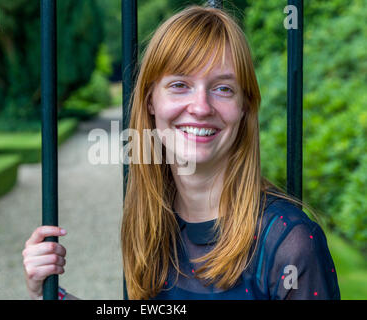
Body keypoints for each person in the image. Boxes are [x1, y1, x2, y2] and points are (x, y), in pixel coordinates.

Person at [22, 5, 340, 300]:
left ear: (244, 107)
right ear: (150, 101)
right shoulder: (154, 223)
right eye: (180, 85)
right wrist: (49, 293)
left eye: (223, 88)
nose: (200, 107)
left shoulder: (288, 243)